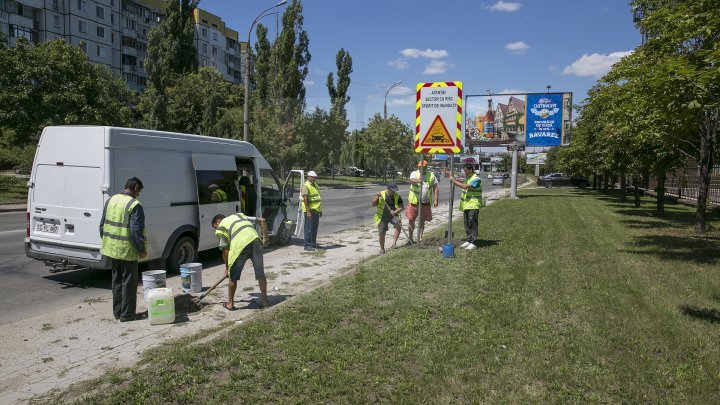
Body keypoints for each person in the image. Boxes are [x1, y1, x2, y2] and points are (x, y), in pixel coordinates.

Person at [99, 177, 147, 322]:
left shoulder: (111, 200)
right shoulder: (134, 205)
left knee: (117, 282)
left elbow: (102, 226)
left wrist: (108, 241)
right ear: (135, 187)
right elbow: (135, 232)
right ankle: (127, 315)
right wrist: (141, 249)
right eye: (139, 191)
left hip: (112, 249)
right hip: (127, 250)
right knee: (129, 284)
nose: (139, 194)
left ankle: (118, 312)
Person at [212, 213, 269, 310]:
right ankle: (264, 302)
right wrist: (265, 239)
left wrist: (227, 268)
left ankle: (230, 304)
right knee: (260, 273)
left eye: (215, 227)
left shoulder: (221, 227)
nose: (216, 229)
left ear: (218, 221)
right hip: (255, 240)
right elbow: (262, 220)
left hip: (240, 246)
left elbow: (225, 251)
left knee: (233, 277)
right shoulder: (239, 215)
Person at [447, 164, 483, 250]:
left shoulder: (476, 179)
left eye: (466, 171)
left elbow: (464, 186)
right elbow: (460, 182)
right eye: (464, 171)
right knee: (467, 224)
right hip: (467, 205)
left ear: (471, 170)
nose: (465, 172)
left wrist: (452, 180)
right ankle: (469, 240)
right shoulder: (467, 178)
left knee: (472, 224)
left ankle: (473, 243)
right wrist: (452, 176)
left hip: (473, 205)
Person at [405, 160, 439, 243]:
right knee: (411, 220)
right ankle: (410, 238)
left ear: (426, 167)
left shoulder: (431, 175)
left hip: (425, 203)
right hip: (414, 202)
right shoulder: (414, 173)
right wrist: (417, 181)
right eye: (419, 167)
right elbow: (411, 180)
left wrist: (435, 200)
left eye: (422, 167)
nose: (420, 168)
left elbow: (435, 188)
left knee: (422, 220)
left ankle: (420, 238)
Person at [371, 183, 404, 254]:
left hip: (393, 215)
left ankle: (394, 244)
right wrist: (377, 196)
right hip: (382, 216)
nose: (395, 191)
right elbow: (373, 204)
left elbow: (401, 207)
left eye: (395, 190)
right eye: (393, 190)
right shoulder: (381, 194)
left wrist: (395, 212)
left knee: (399, 225)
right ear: (388, 189)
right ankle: (382, 249)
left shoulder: (397, 196)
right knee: (381, 232)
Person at [301, 170, 322, 251]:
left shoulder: (315, 185)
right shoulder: (305, 186)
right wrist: (308, 211)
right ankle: (307, 245)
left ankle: (313, 244)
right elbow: (305, 199)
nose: (314, 178)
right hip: (309, 211)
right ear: (308, 177)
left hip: (316, 210)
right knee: (308, 229)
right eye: (312, 177)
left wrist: (320, 210)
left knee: (314, 229)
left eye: (315, 177)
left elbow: (317, 198)